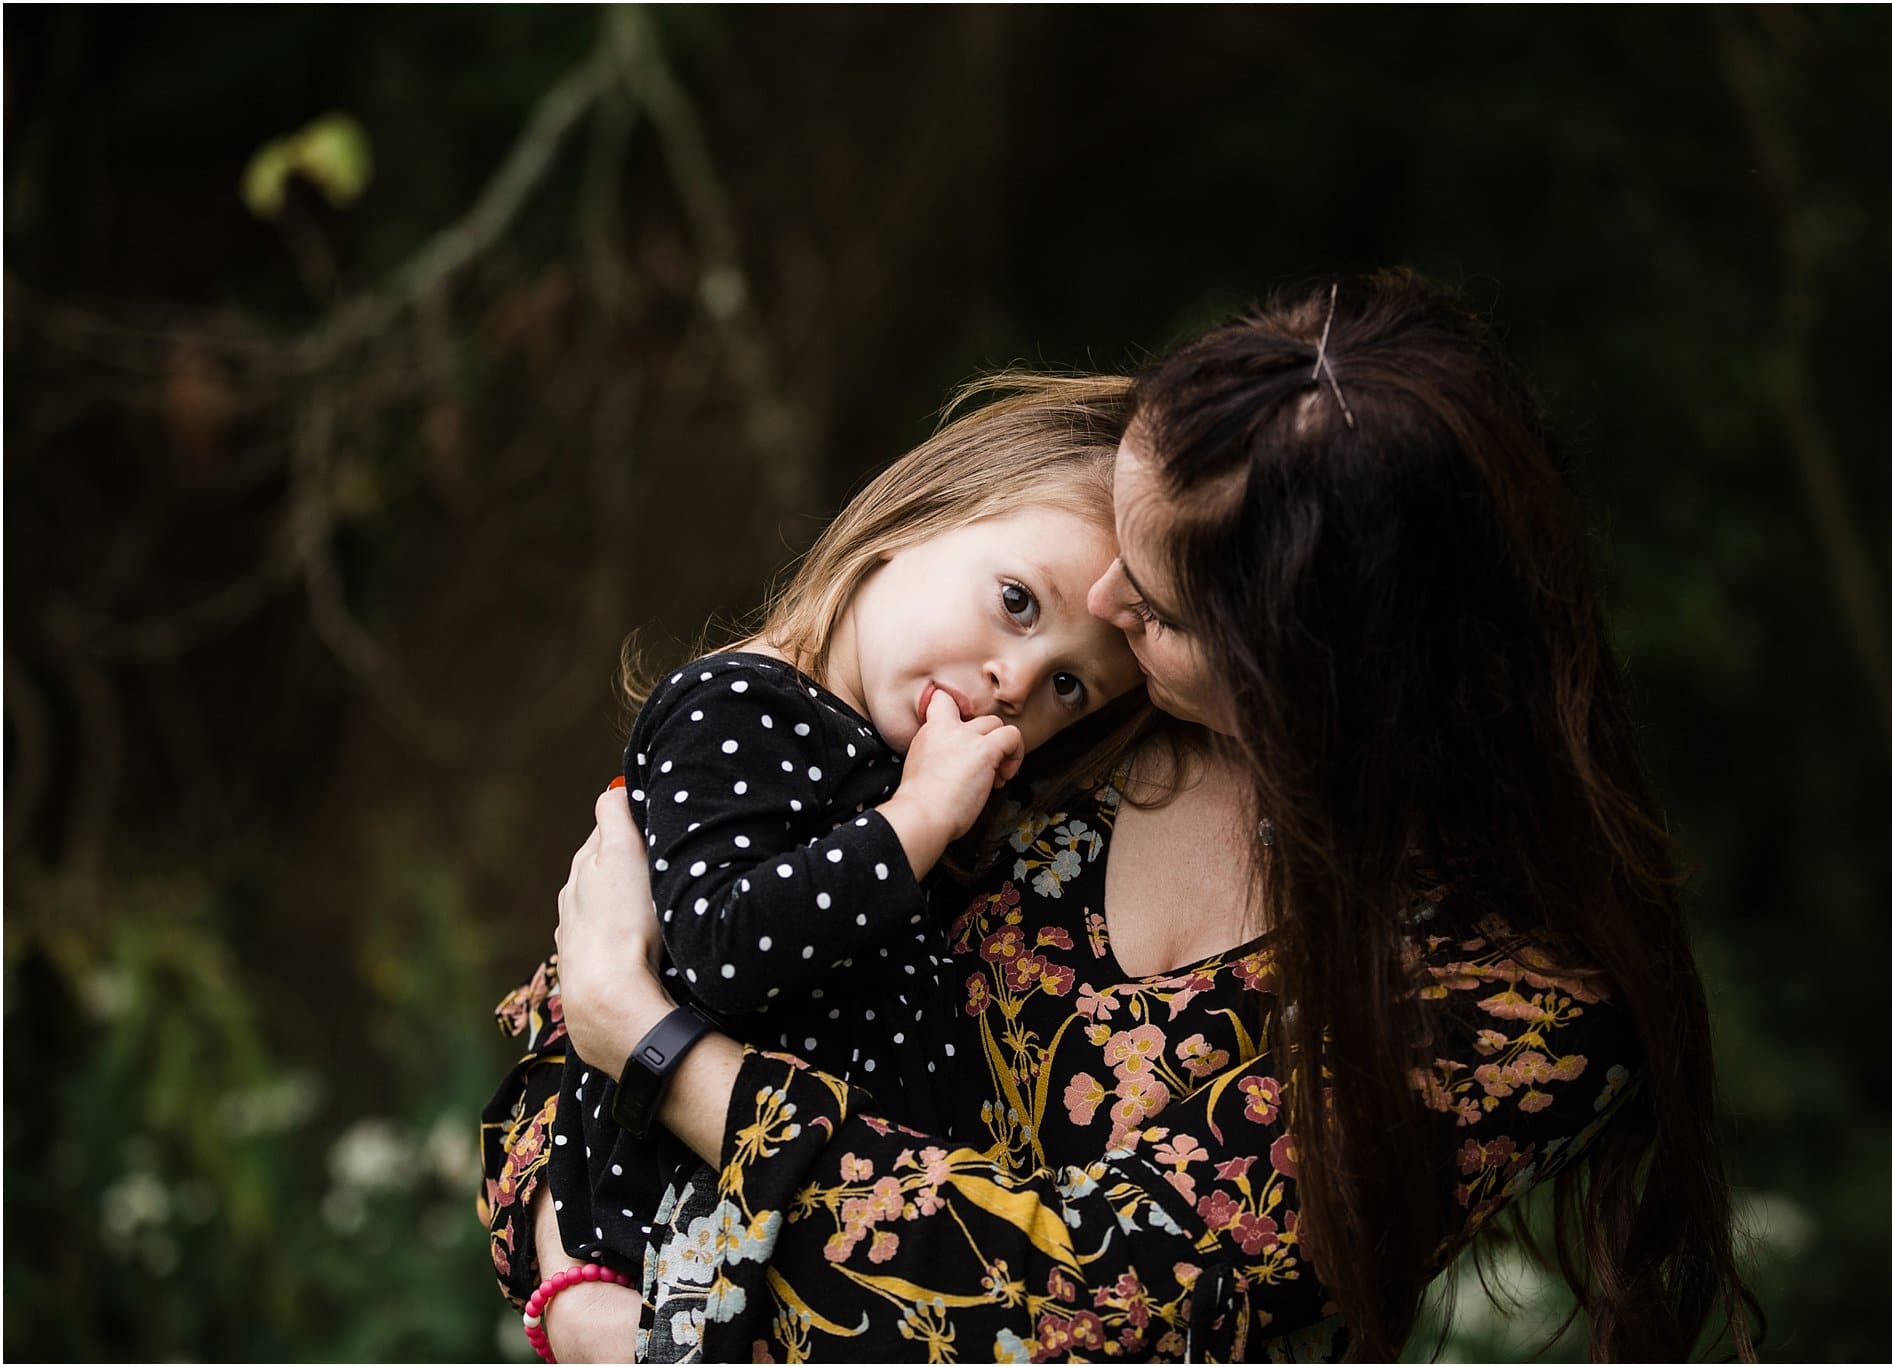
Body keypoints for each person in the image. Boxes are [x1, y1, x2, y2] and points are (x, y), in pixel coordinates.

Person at [491, 271, 1760, 1362]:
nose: (1101, 594)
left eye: (1152, 600)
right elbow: (572, 1025)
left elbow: (1087, 1317)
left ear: (1313, 676)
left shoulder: (1503, 994)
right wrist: (589, 1304)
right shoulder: (1056, 740)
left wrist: (656, 1049)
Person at [481, 375, 1148, 1360]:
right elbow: (721, 948)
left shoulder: (900, 766)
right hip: (685, 1228)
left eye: (1065, 684)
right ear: (913, 519)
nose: (1014, 683)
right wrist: (914, 819)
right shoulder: (739, 705)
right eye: (1016, 602)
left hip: (817, 1242)